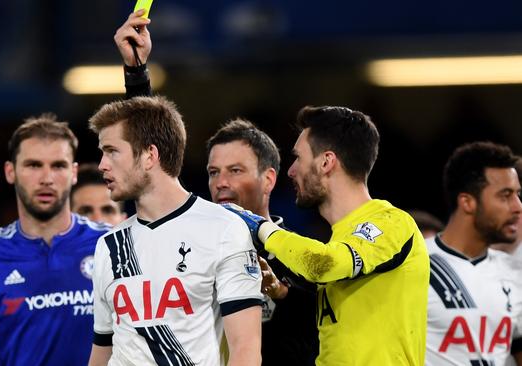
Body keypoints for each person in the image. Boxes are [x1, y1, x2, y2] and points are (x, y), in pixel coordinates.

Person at [224, 105, 430, 364]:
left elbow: (325, 263)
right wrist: (282, 293)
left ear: (326, 162)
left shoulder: (391, 223)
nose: (291, 170)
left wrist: (260, 227)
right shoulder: (341, 239)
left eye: (298, 157)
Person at [87, 96, 263, 366]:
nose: (102, 164)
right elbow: (102, 350)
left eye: (112, 151)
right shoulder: (108, 245)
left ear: (150, 156)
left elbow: (246, 351)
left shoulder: (223, 229)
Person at [0, 114, 110, 366]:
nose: (46, 178)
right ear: (10, 172)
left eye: (58, 166)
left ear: (74, 172)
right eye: (33, 165)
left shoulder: (109, 245)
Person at [206, 119, 318, 364]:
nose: (220, 183)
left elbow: (319, 332)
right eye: (213, 172)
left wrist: (283, 294)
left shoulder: (305, 256)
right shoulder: (194, 253)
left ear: (268, 179)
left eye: (235, 171)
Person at [425, 141, 522, 366]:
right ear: (467, 202)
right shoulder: (416, 264)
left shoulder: (514, 273)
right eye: (505, 195)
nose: (518, 206)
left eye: (518, 194)